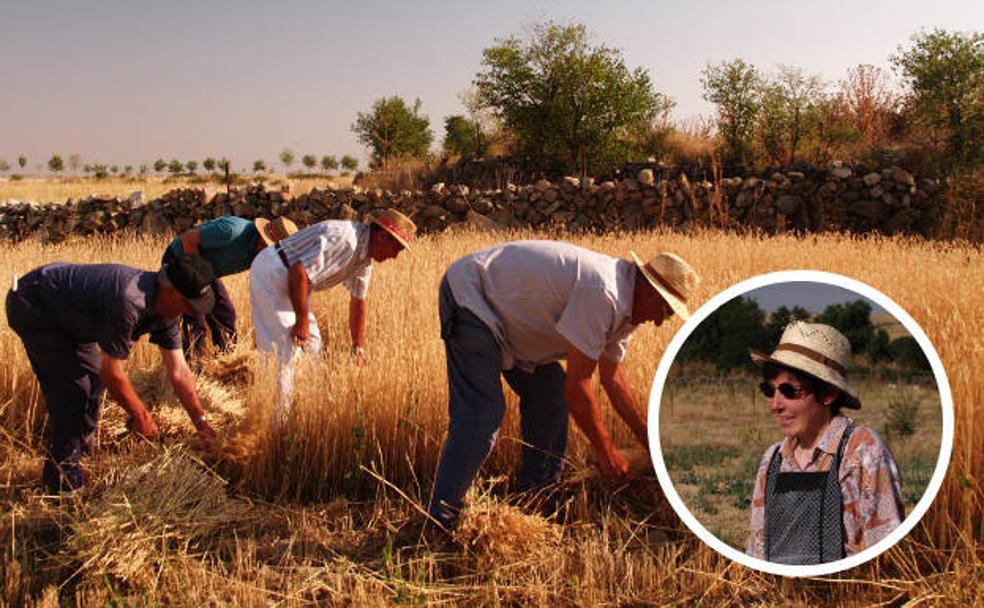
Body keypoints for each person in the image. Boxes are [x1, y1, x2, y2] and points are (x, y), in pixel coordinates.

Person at [427, 240, 700, 530]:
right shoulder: (603, 293)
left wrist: (649, 439)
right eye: (665, 310)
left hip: (512, 326)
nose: (659, 321)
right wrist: (607, 454)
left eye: (668, 315)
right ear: (649, 289)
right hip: (472, 297)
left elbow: (612, 378)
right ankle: (440, 522)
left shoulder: (627, 311)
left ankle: (534, 501)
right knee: (482, 416)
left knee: (550, 395)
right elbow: (578, 387)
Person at [5, 254, 220, 494]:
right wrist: (141, 416)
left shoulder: (167, 313)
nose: (191, 311)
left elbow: (179, 371)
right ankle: (63, 487)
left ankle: (79, 456)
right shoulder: (128, 301)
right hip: (34, 305)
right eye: (189, 304)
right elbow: (112, 372)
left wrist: (201, 423)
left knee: (92, 383)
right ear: (170, 291)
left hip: (73, 316)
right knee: (75, 392)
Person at [745, 321, 905, 564]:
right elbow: (758, 548)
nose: (775, 405)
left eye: (789, 391)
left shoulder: (863, 451)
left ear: (828, 393)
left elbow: (886, 550)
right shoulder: (772, 459)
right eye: (769, 390)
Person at [248, 209, 417, 423]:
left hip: (294, 280)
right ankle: (277, 426)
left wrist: (358, 347)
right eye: (397, 248)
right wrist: (301, 321)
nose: (395, 256)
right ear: (383, 237)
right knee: (284, 352)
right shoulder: (345, 240)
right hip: (273, 273)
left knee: (314, 346)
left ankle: (315, 413)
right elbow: (298, 273)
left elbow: (358, 302)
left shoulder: (365, 259)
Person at [163, 215, 298, 361]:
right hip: (180, 259)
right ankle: (192, 367)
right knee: (196, 317)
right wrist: (197, 280)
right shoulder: (232, 231)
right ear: (262, 238)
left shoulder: (259, 252)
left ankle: (225, 362)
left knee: (225, 314)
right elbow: (188, 240)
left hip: (207, 270)